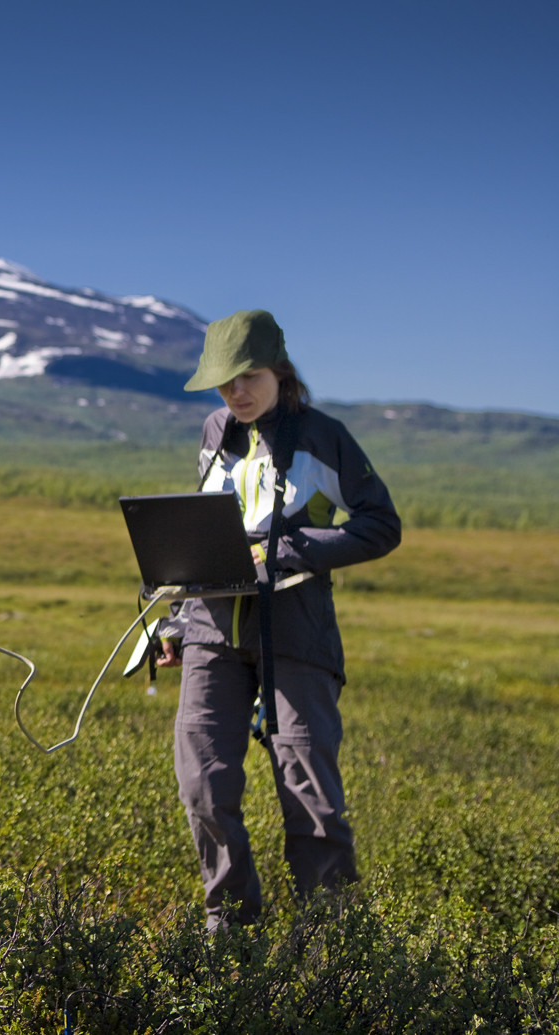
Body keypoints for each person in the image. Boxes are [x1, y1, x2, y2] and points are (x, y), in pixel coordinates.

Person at [154, 309, 400, 930]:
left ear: (279, 371)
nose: (236, 392)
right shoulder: (214, 431)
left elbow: (380, 525)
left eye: (248, 377)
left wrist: (290, 550)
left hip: (296, 626)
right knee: (202, 784)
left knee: (309, 791)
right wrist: (179, 623)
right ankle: (231, 932)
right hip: (213, 624)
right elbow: (207, 532)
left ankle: (333, 947)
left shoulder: (325, 435)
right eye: (224, 382)